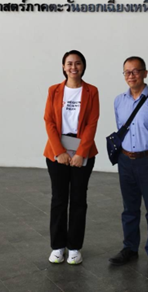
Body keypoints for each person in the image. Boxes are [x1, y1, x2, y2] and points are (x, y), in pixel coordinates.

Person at [108, 56, 148, 275]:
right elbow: (120, 127)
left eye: (135, 71)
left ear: (145, 73)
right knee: (129, 209)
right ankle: (130, 249)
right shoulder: (119, 101)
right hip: (125, 161)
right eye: (127, 72)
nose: (131, 75)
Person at [43, 50, 99, 265]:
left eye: (77, 63)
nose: (73, 67)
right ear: (63, 67)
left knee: (78, 200)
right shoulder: (54, 90)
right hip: (57, 151)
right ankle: (58, 246)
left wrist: (81, 153)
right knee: (58, 199)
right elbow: (49, 121)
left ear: (83, 66)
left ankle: (74, 247)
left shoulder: (92, 91)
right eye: (69, 63)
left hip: (82, 150)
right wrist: (59, 152)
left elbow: (92, 123)